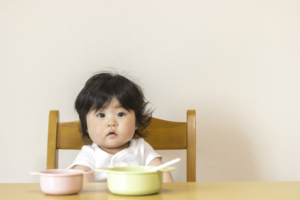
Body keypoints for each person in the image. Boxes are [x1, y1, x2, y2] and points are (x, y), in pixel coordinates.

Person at [68, 72, 174, 182]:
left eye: (120, 114)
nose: (111, 123)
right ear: (86, 125)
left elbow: (161, 171)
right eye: (101, 115)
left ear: (136, 121)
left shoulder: (142, 148)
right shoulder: (89, 154)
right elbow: (82, 177)